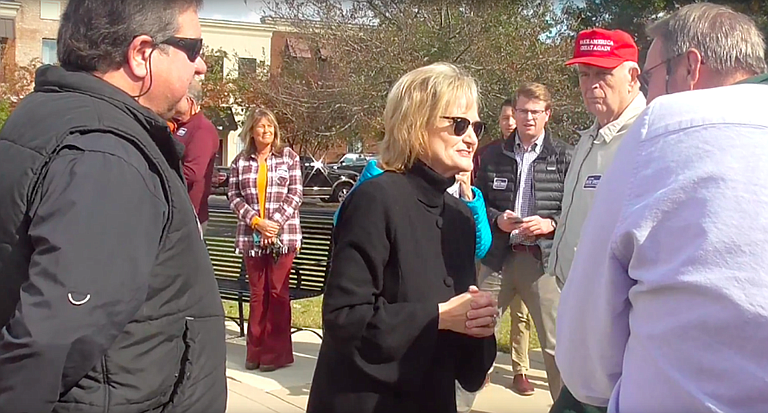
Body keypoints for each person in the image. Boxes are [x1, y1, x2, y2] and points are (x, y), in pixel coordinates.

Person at [0, 0, 227, 412]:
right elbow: (51, 335)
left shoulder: (49, 115)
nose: (201, 66)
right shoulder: (106, 156)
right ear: (141, 54)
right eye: (193, 48)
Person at [556, 3, 768, 412]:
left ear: (690, 68)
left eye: (650, 77)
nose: (649, 95)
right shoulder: (587, 140)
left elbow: (586, 364)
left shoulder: (660, 125)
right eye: (584, 75)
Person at [307, 62, 498, 413]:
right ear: (416, 124)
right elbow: (345, 318)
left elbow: (466, 366)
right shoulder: (375, 199)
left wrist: (477, 324)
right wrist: (439, 316)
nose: (471, 138)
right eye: (458, 124)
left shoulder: (459, 217)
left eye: (476, 126)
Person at [548, 27, 646, 413]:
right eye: (583, 75)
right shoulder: (590, 137)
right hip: (577, 305)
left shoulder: (645, 136)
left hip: (614, 324)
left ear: (632, 75)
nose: (591, 85)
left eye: (602, 74)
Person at [474, 82, 572, 401]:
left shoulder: (564, 156)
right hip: (498, 258)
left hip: (540, 262)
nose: (528, 117)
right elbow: (478, 201)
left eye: (534, 112)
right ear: (513, 113)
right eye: (522, 111)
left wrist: (550, 223)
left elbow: (575, 209)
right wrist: (496, 219)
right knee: (473, 333)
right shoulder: (492, 155)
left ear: (547, 114)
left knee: (556, 346)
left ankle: (564, 407)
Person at [228, 107, 303, 373]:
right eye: (261, 127)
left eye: (270, 127)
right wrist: (256, 222)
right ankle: (255, 352)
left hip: (283, 237)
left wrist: (274, 225)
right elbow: (233, 197)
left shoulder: (288, 158)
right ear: (251, 130)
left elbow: (295, 194)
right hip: (252, 237)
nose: (266, 131)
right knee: (258, 295)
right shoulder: (241, 161)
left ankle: (275, 355)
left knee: (277, 293)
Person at [172, 78, 219, 233]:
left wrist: (159, 176)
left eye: (177, 98)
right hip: (173, 212)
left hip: (190, 216)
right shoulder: (179, 126)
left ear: (189, 101)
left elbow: (193, 173)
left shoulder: (202, 130)